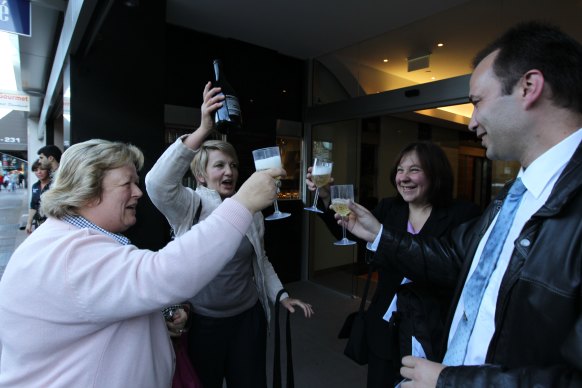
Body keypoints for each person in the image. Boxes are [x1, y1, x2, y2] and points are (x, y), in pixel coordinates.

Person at [339, 21, 582, 387]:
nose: (470, 122)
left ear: (529, 88)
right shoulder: (515, 196)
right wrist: (379, 235)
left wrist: (450, 382)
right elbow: (456, 260)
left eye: (477, 102)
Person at [0, 138, 284, 387]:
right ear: (87, 190)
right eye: (128, 183)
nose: (138, 192)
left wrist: (162, 318)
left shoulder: (70, 238)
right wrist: (243, 204)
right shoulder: (70, 254)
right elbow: (165, 275)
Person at [146, 82, 314, 388]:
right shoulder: (190, 204)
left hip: (247, 319)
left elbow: (260, 261)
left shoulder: (250, 208)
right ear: (200, 175)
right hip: (200, 323)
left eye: (233, 165)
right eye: (219, 165)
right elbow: (156, 184)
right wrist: (201, 131)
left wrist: (281, 296)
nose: (229, 172)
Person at [307, 142, 480, 387]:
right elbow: (354, 233)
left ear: (435, 173)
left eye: (414, 170)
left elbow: (455, 272)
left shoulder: (462, 215)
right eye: (400, 170)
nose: (404, 178)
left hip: (432, 328)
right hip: (386, 324)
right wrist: (325, 197)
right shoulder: (389, 208)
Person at [25, 160, 52, 233]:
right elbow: (33, 206)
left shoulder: (54, 185)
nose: (39, 172)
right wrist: (29, 223)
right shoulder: (35, 186)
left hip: (53, 223)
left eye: (42, 169)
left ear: (48, 170)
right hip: (39, 223)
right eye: (36, 170)